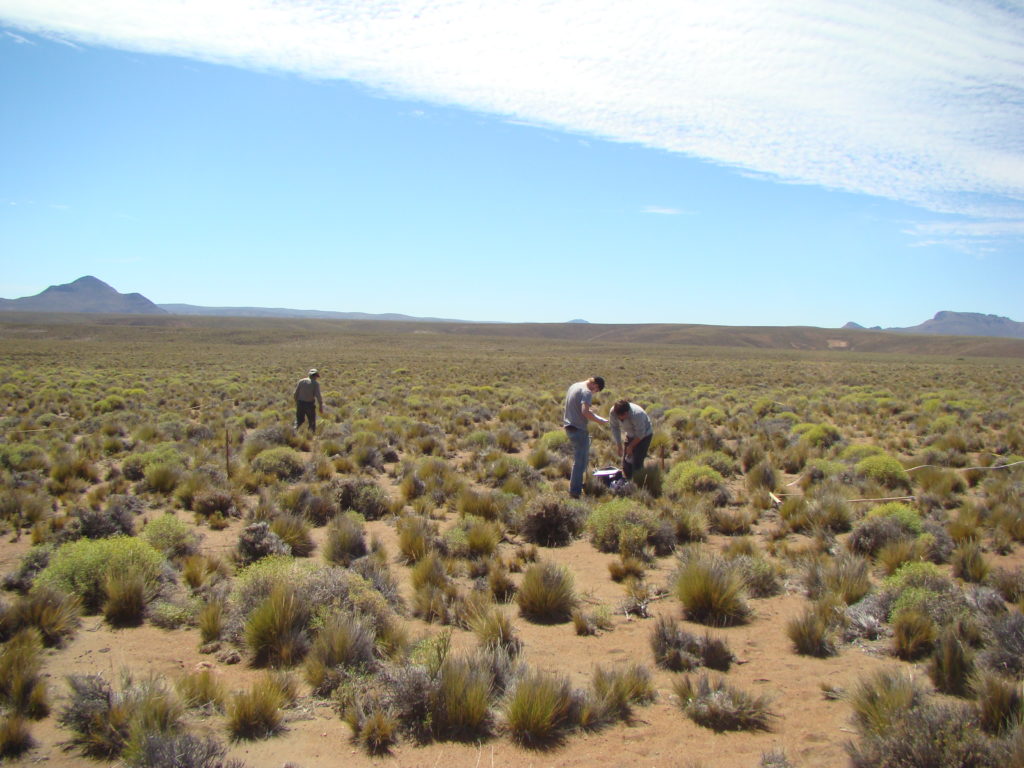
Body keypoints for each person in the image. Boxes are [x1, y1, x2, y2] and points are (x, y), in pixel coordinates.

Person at [562, 376, 607, 498]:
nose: (594, 392)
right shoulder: (586, 391)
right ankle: (575, 492)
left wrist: (596, 417)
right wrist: (599, 420)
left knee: (580, 459)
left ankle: (576, 486)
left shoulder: (575, 385)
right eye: (596, 390)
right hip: (578, 429)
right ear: (595, 385)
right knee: (580, 462)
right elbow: (585, 412)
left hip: (569, 426)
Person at [609, 399, 653, 479]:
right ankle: (627, 481)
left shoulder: (637, 414)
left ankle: (638, 483)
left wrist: (631, 446)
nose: (625, 416)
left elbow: (640, 434)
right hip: (630, 434)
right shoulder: (613, 412)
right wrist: (619, 445)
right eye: (622, 415)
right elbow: (614, 428)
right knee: (626, 462)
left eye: (626, 414)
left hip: (645, 436)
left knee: (637, 462)